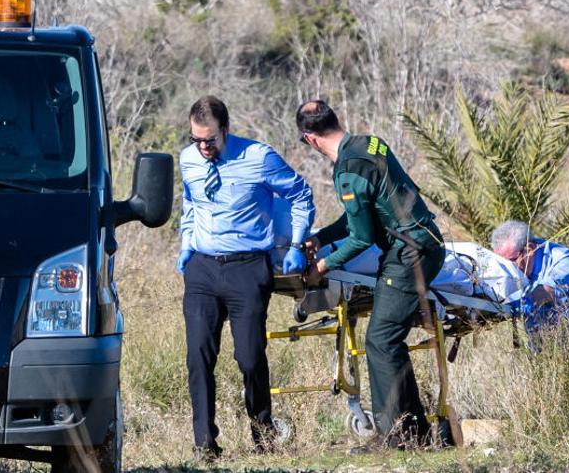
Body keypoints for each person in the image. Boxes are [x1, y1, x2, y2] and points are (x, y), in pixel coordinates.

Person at [297, 100, 444, 448]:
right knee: (389, 340)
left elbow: (362, 238)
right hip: (420, 242)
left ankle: (392, 437)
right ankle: (414, 433)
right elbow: (357, 221)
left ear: (310, 139)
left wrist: (322, 266)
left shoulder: (348, 170)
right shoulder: (369, 143)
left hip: (410, 254)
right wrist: (321, 238)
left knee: (380, 340)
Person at [177, 95, 315, 459]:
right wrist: (186, 245)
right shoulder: (188, 159)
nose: (203, 147)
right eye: (196, 139)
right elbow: (190, 202)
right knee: (198, 357)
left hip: (247, 267)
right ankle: (204, 444)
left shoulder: (258, 157)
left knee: (250, 358)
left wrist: (297, 243)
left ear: (226, 129)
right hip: (203, 269)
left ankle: (263, 434)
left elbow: (301, 194)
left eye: (210, 139)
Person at [491, 220, 569, 347]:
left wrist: (512, 305)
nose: (506, 269)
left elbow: (545, 292)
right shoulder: (518, 268)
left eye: (511, 261)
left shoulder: (563, 261)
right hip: (541, 352)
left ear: (529, 250)